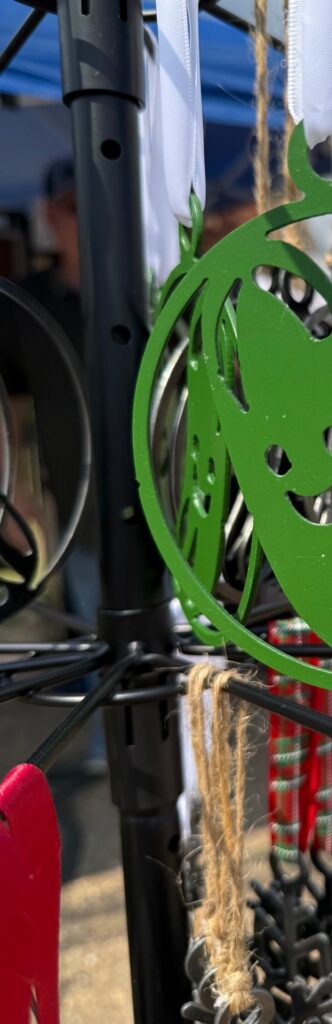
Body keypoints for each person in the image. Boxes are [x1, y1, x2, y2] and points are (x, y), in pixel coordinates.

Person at [1, 160, 104, 771]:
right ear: (49, 216)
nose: (78, 217)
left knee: (177, 621)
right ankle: (105, 744)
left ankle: (187, 747)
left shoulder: (144, 283)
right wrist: (15, 493)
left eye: (86, 202)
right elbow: (9, 403)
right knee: (94, 625)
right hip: (80, 504)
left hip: (167, 499)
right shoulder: (29, 304)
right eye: (68, 205)